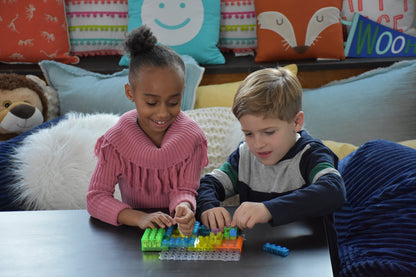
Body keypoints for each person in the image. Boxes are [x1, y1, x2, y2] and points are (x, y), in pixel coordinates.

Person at [87, 25, 209, 236]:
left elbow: (185, 189)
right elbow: (96, 197)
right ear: (130, 92)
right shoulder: (115, 141)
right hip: (132, 234)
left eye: (173, 102)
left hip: (174, 233)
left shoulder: (193, 138)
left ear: (183, 93)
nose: (163, 113)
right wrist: (138, 218)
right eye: (151, 103)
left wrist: (184, 207)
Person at [196, 67, 346, 231]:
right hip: (260, 251)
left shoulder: (312, 155)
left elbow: (333, 190)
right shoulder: (244, 155)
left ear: (296, 122)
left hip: (310, 252)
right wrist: (208, 207)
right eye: (248, 133)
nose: (258, 144)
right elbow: (208, 184)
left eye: (269, 132)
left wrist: (268, 209)